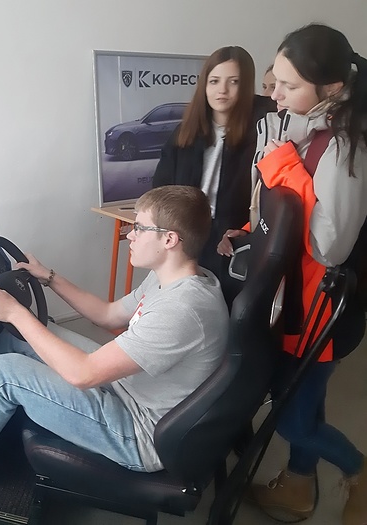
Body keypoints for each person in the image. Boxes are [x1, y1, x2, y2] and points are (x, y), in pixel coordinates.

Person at [0, 185, 228, 490]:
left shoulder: (182, 309)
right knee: (18, 338)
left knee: (6, 372)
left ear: (169, 239)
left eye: (140, 228)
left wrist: (15, 312)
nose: (130, 235)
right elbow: (108, 314)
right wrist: (49, 277)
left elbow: (83, 374)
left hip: (139, 432)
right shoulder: (173, 278)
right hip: (131, 389)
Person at [217, 24, 367, 525]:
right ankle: (300, 485)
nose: (274, 94)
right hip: (295, 299)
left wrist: (282, 166)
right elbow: (286, 213)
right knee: (305, 402)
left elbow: (329, 246)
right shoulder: (307, 131)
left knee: (293, 418)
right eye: (275, 81)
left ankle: (359, 470)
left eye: (288, 85)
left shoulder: (344, 147)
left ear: (332, 89)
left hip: (322, 307)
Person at [152, 46, 275, 309]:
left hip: (232, 240)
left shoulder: (261, 131)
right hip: (186, 235)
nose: (222, 90)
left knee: (223, 308)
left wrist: (246, 232)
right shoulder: (184, 133)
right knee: (179, 305)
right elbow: (160, 190)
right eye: (215, 81)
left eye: (234, 82)